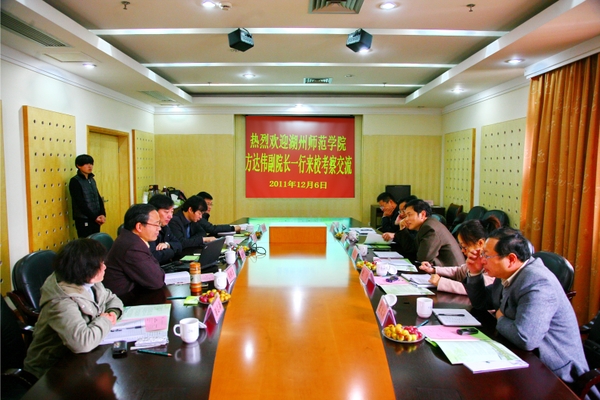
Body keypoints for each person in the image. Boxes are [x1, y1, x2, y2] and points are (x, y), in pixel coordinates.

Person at [464, 227, 591, 387]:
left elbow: (525, 338)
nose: (482, 260)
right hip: (523, 356)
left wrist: (500, 317)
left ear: (511, 259)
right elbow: (481, 302)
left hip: (555, 374)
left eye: (487, 256)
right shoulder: (509, 272)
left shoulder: (537, 282)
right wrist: (475, 272)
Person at [23, 239, 123, 379]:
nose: (105, 267)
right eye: (100, 264)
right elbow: (82, 343)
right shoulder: (60, 300)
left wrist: (113, 312)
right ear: (84, 268)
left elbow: (112, 299)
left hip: (82, 358)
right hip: (52, 371)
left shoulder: (88, 280)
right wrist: (105, 320)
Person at [419, 216, 499, 294]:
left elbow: (475, 289)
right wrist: (433, 269)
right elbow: (459, 271)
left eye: (464, 247)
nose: (462, 250)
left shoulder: (492, 263)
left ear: (480, 243)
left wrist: (441, 282)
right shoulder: (478, 259)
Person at [103, 204, 165, 300]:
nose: (159, 228)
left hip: (134, 293)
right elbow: (157, 281)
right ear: (139, 226)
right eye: (156, 224)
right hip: (125, 300)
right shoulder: (132, 248)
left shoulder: (129, 238)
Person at [404, 199, 464, 266]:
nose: (406, 219)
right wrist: (402, 229)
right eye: (406, 216)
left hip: (451, 270)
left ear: (423, 214)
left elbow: (424, 258)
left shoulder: (429, 228)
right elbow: (412, 248)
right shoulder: (428, 224)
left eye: (409, 215)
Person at [69, 154, 106, 238]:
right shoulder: (75, 181)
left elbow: (98, 197)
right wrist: (94, 217)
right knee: (86, 242)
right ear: (78, 166)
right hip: (84, 219)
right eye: (86, 164)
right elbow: (80, 202)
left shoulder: (91, 179)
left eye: (91, 164)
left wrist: (102, 214)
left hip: (95, 218)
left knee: (95, 241)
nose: (90, 166)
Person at [382, 195, 419, 262]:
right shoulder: (401, 218)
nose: (401, 214)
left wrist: (395, 235)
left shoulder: (417, 225)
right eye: (400, 211)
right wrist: (396, 224)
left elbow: (411, 244)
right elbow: (390, 232)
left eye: (404, 211)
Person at [148, 194, 182, 265]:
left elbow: (179, 245)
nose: (170, 216)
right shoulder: (148, 230)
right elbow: (155, 256)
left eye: (172, 212)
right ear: (154, 212)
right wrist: (171, 251)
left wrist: (167, 245)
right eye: (166, 212)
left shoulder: (165, 227)